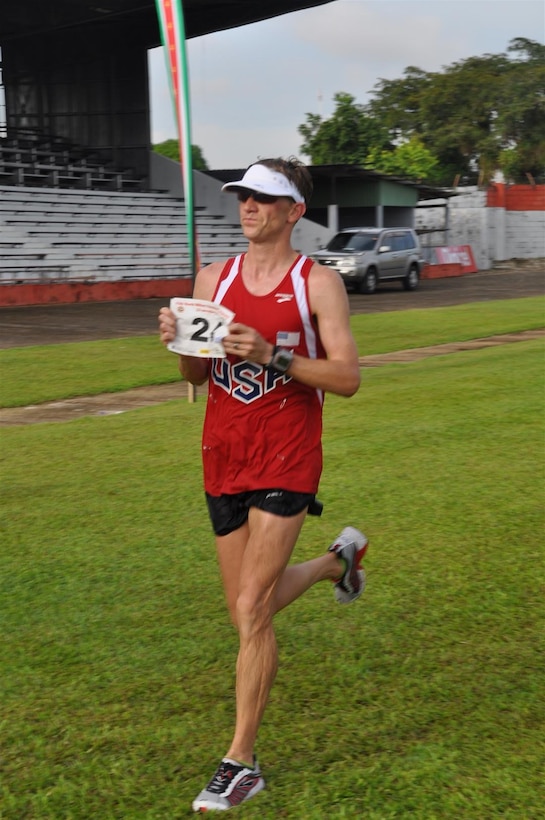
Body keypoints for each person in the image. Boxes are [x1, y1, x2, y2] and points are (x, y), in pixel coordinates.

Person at [158, 157, 368, 813]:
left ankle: (240, 761)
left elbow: (346, 378)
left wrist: (271, 353)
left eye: (262, 197)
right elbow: (196, 378)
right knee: (249, 606)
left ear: (292, 212)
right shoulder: (211, 278)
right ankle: (339, 563)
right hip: (222, 451)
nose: (247, 206)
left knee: (251, 609)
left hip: (286, 452)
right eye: (242, 196)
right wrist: (178, 343)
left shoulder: (318, 283)